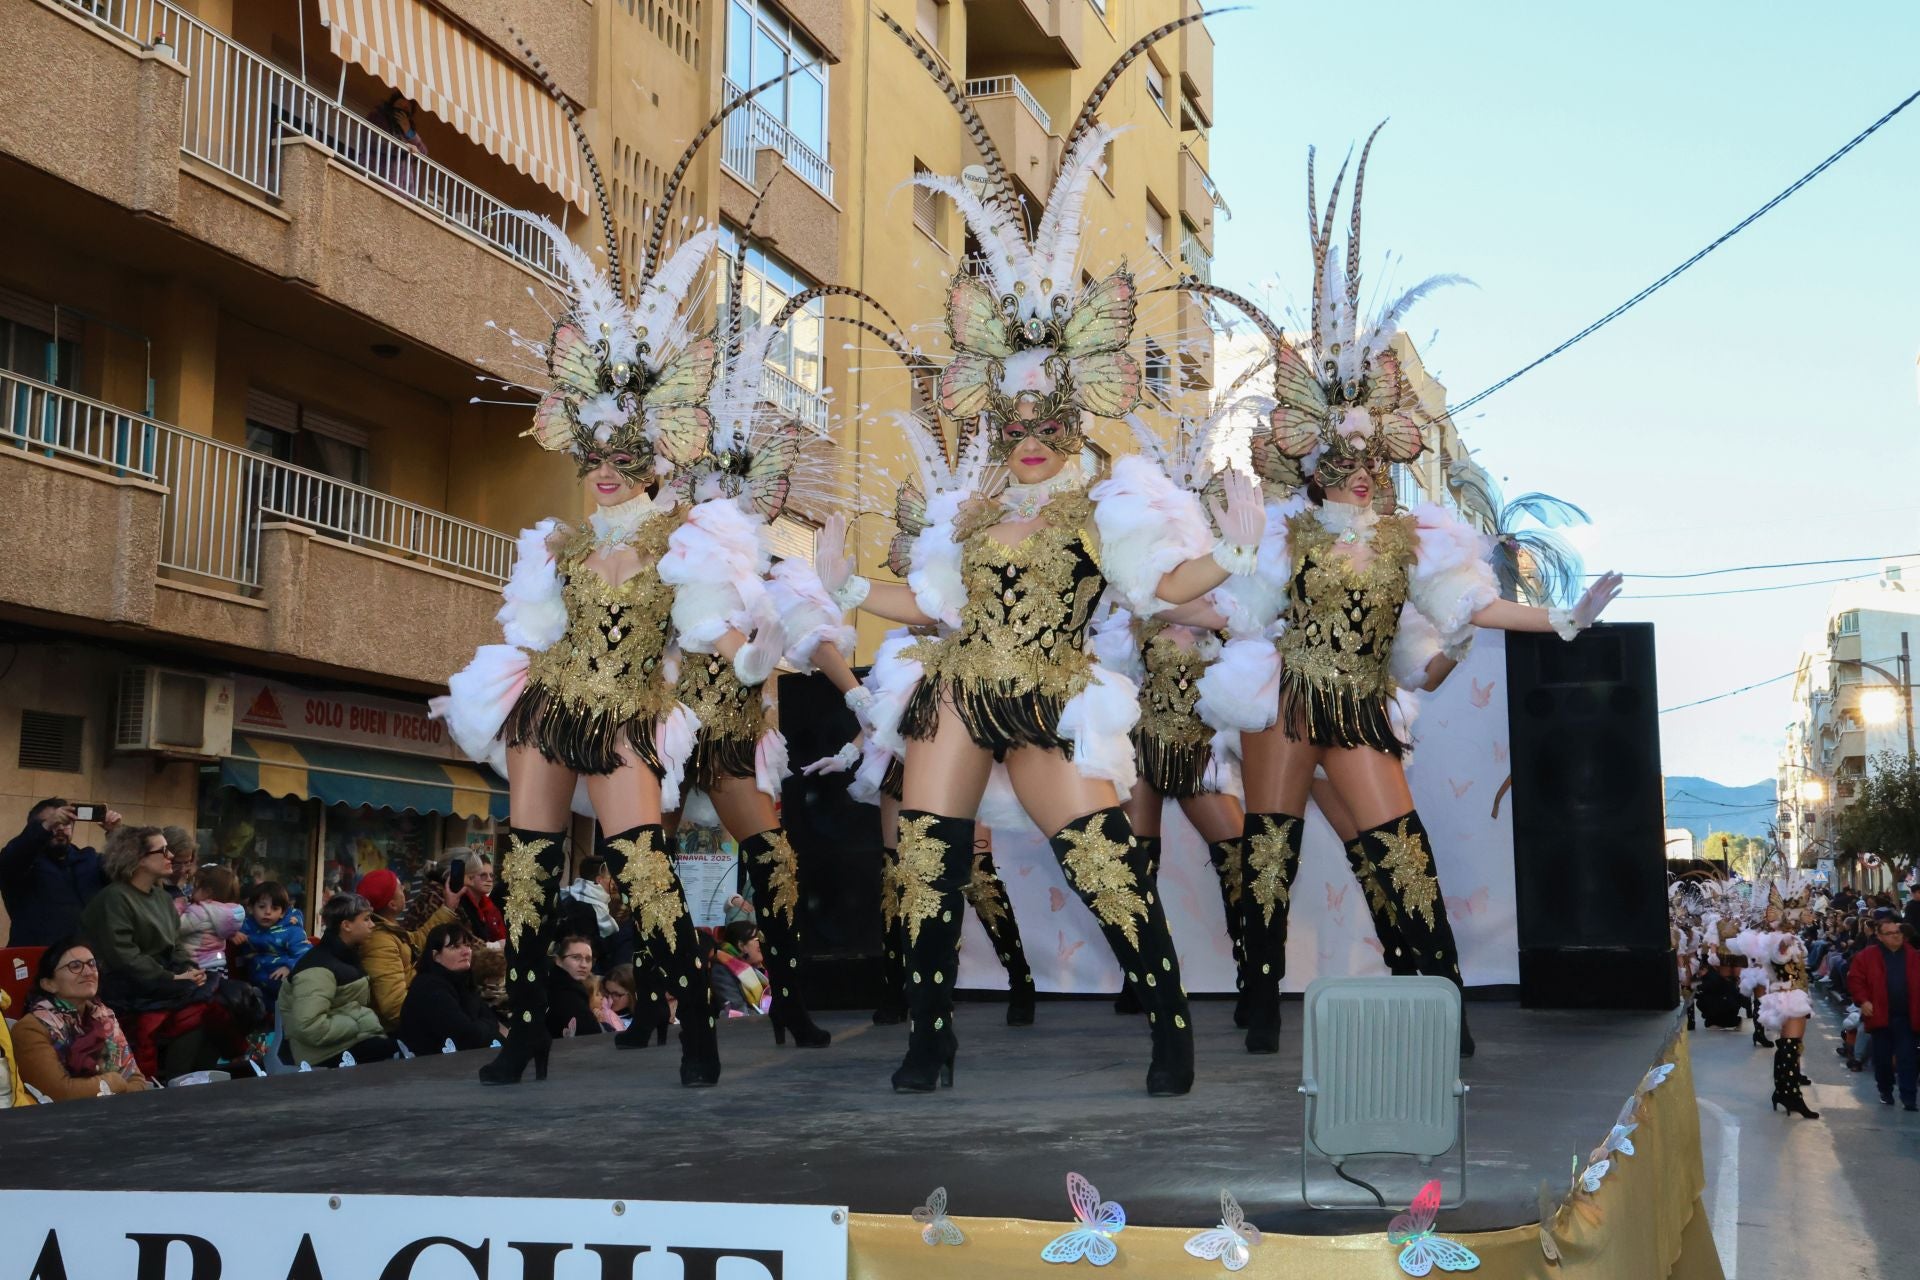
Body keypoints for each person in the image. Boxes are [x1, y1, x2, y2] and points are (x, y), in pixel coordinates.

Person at [820, 14, 1268, 1098]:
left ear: (1073, 415)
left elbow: (1161, 587)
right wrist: (843, 583)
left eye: (1045, 417)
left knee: (1100, 859)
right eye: (1010, 417)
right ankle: (931, 1037)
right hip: (963, 684)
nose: (1025, 434)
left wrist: (1240, 558)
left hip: (1054, 690)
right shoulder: (969, 519)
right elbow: (927, 606)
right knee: (924, 849)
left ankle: (1171, 1020)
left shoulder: (1103, 508)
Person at [1177, 130, 1622, 1059]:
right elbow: (1240, 607)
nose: (1356, 475)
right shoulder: (1288, 532)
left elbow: (1473, 605)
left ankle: (1441, 1000)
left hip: (1358, 698)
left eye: (1368, 461)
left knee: (1398, 851)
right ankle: (1258, 1001)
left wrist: (1566, 620)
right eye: (1340, 461)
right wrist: (1190, 592)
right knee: (1270, 853)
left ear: (1382, 460)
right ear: (1321, 461)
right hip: (1284, 693)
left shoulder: (1411, 539)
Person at [428, 76, 806, 1089]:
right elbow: (531, 633)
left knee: (641, 866)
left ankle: (697, 1028)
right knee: (528, 865)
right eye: (591, 450)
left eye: (621, 453)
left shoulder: (683, 536)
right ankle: (524, 1036)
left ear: (652, 457)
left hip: (632, 707)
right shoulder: (554, 544)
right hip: (550, 706)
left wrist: (759, 651)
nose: (602, 466)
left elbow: (717, 631)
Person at [81, 826, 237, 1080]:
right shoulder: (114, 899)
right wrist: (171, 979)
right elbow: (124, 956)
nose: (171, 856)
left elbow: (175, 944)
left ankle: (195, 1079)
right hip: (126, 986)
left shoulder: (161, 897)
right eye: (162, 850)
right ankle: (176, 1080)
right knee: (202, 1009)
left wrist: (188, 968)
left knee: (229, 1002)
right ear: (138, 858)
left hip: (161, 981)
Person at [12, 940, 151, 1100]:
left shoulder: (105, 1018)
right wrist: (113, 1083)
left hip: (115, 1115)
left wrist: (106, 1091)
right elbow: (60, 1093)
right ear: (49, 984)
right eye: (75, 966)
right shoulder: (31, 1029)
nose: (88, 972)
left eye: (92, 964)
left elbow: (137, 1081)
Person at [283, 894, 396, 1068]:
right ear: (346, 925)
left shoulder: (346, 957)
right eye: (366, 919)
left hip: (341, 1043)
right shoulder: (318, 969)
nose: (372, 925)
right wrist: (357, 1023)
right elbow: (309, 1026)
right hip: (318, 1055)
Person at [1, 799, 116, 946]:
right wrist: (45, 827)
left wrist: (115, 834)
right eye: (54, 822)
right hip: (35, 955)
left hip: (83, 958)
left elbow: (129, 872)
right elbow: (10, 859)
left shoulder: (90, 859)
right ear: (36, 827)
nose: (60, 828)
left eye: (66, 822)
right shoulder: (22, 863)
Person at [357, 868, 457, 1033]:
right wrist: (436, 1019)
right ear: (392, 904)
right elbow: (394, 1006)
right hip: (401, 1032)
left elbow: (417, 940)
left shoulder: (388, 930)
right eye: (398, 887)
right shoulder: (379, 943)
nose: (403, 888)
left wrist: (448, 907)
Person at [1847, 916, 1920, 1110]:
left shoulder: (1913, 956)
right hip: (1880, 1015)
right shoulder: (1867, 956)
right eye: (1889, 934)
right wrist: (1863, 1000)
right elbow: (1855, 979)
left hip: (1906, 1017)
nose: (1895, 937)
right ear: (1879, 936)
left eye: (1897, 932)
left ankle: (1909, 1097)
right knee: (1883, 1059)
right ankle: (1885, 1090)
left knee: (1908, 1057)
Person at [399, 923, 504, 1055]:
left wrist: (482, 1026)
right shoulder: (429, 988)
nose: (466, 951)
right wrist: (485, 1026)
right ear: (436, 956)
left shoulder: (463, 981)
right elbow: (467, 1036)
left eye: (467, 945)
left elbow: (490, 1020)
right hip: (428, 1067)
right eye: (455, 947)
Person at [240, 880, 310, 1007]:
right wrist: (233, 934)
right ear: (250, 908)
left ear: (283, 912)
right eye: (262, 907)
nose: (268, 912)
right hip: (255, 978)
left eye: (275, 908)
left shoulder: (291, 930)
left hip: (283, 978)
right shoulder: (246, 927)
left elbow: (305, 953)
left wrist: (289, 967)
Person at [177, 864, 246, 975]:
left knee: (200, 992)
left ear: (207, 892)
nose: (192, 890)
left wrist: (179, 904)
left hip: (198, 964)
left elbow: (177, 926)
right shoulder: (225, 913)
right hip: (218, 964)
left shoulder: (200, 912)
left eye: (195, 887)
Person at [559, 855, 620, 970]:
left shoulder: (585, 899)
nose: (614, 881)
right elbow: (588, 943)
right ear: (599, 880)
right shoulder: (580, 905)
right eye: (610, 877)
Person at [709, 919, 771, 1017]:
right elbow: (735, 1011)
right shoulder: (722, 970)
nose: (761, 943)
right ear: (741, 946)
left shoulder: (759, 970)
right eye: (756, 939)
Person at [546, 935, 602, 1039]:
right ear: (559, 960)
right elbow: (592, 1036)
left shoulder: (560, 985)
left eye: (588, 959)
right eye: (576, 957)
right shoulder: (565, 994)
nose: (584, 965)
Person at [161, 826, 198, 902]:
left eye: (187, 862)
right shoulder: (154, 884)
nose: (182, 870)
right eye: (176, 863)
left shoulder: (194, 880)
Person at [599, 963, 638, 1032]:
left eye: (616, 994)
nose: (610, 998)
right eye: (607, 992)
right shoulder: (600, 1013)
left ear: (632, 994)